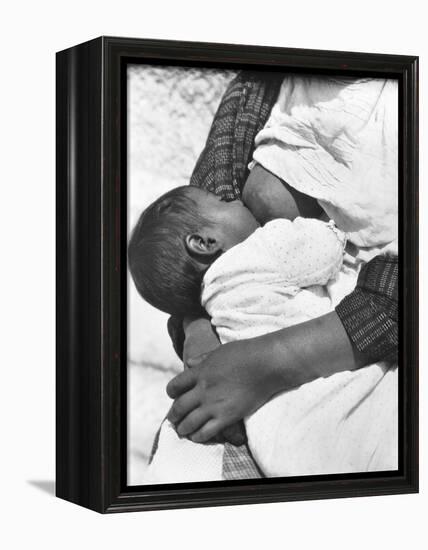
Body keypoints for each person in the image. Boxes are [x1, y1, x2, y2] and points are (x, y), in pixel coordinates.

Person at [165, 71, 398, 479]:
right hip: (278, 407)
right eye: (225, 198)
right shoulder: (261, 83)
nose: (230, 196)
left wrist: (270, 362)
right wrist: (198, 330)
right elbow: (205, 209)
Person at [128, 181, 396, 482]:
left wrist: (195, 324)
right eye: (222, 200)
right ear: (203, 242)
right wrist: (339, 225)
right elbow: (324, 247)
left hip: (286, 451)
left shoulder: (213, 304)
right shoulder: (259, 251)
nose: (235, 200)